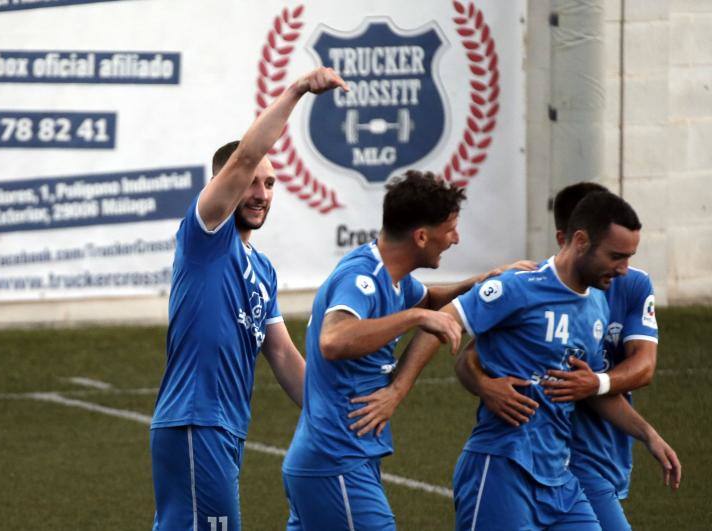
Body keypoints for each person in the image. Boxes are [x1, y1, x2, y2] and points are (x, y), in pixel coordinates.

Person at [149, 67, 348, 531]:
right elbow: (244, 157)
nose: (261, 194)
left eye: (271, 184)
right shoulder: (206, 236)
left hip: (224, 430)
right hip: (196, 421)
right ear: (225, 186)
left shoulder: (262, 269)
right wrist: (297, 90)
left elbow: (280, 352)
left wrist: (333, 415)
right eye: (251, 183)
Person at [281, 171, 528, 530]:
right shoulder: (361, 277)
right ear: (422, 236)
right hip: (336, 459)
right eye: (450, 229)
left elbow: (427, 297)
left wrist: (477, 283)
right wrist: (415, 318)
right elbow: (333, 340)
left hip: (337, 457)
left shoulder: (392, 278)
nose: (456, 239)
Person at [444, 191, 679, 530]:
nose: (624, 269)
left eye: (629, 257)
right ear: (579, 240)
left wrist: (649, 435)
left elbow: (601, 384)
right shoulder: (521, 287)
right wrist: (398, 392)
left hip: (558, 473)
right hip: (503, 463)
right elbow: (449, 331)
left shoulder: (598, 304)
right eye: (616, 256)